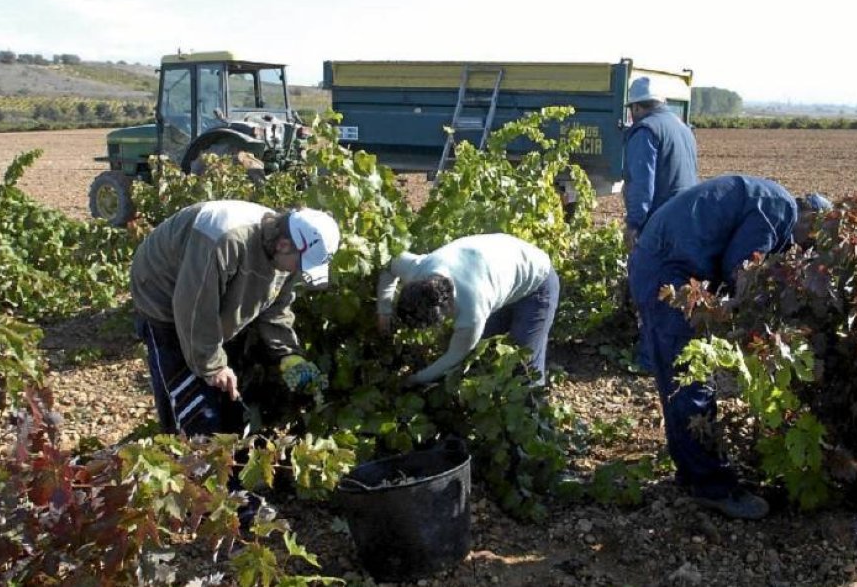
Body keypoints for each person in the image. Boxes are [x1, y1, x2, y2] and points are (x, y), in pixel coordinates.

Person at [629, 175, 831, 519]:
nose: (801, 253)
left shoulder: (772, 199)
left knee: (679, 382)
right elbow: (743, 271)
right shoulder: (780, 210)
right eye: (808, 243)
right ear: (809, 219)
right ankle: (714, 487)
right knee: (692, 380)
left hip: (660, 264)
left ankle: (691, 474)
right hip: (671, 275)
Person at [131, 201, 339, 534]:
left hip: (209, 304)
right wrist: (212, 365)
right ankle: (210, 502)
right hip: (165, 303)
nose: (299, 272)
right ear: (284, 243)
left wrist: (288, 354)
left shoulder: (283, 256)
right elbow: (193, 309)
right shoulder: (222, 239)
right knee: (193, 403)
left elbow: (277, 308)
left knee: (229, 404)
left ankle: (224, 479)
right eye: (300, 264)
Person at [376, 233, 559, 386]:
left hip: (538, 281)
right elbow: (389, 267)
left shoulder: (472, 314)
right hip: (503, 263)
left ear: (445, 310)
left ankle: (534, 419)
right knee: (482, 351)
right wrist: (383, 311)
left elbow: (454, 355)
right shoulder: (418, 269)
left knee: (524, 367)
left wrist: (414, 380)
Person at [622, 76, 699, 251]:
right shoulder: (683, 128)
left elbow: (641, 184)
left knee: (651, 275)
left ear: (636, 106)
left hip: (663, 224)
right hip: (690, 218)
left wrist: (634, 225)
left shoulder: (646, 131)